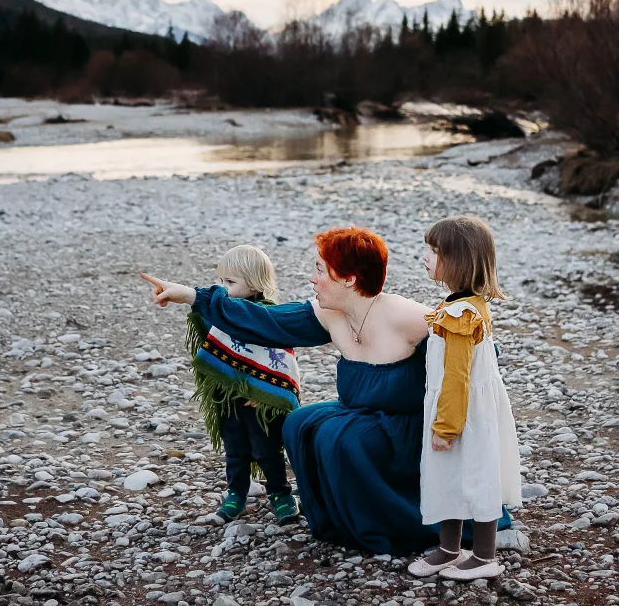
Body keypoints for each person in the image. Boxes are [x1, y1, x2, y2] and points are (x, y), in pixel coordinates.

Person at [142, 227, 446, 555]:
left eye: (319, 270)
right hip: (361, 411)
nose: (312, 279)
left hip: (406, 427)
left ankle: (391, 521)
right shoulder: (329, 315)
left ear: (348, 279)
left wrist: (450, 425)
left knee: (343, 437)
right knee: (300, 423)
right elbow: (262, 320)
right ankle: (339, 516)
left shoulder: (409, 316)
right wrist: (190, 295)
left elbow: (472, 353)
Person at [143, 246, 301, 525]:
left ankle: (280, 492)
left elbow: (281, 362)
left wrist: (268, 394)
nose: (222, 288)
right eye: (221, 281)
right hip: (228, 396)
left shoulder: (267, 318)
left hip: (260, 401)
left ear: (254, 283)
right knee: (235, 449)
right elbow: (205, 321)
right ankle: (236, 493)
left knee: (267, 449)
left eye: (230, 282)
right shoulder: (222, 313)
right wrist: (184, 299)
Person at [408, 214, 522, 581]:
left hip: (462, 412)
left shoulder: (460, 314)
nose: (424, 256)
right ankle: (449, 548)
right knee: (449, 476)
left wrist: (446, 426)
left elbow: (457, 377)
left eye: (433, 251)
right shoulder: (462, 304)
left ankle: (485, 555)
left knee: (475, 475)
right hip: (464, 408)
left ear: (458, 260)